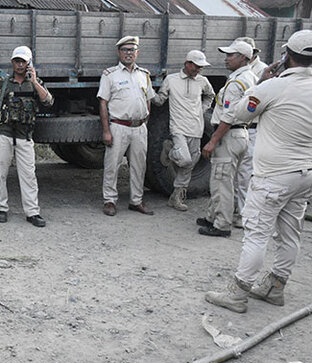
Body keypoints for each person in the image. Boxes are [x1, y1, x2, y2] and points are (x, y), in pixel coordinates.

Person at [205, 30, 312, 313]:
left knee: (256, 233)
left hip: (274, 174)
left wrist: (263, 82)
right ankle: (276, 286)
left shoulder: (272, 87)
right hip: (304, 173)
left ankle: (238, 292)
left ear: (286, 56)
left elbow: (238, 113)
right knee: (290, 233)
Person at [0, 45, 53, 227]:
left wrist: (35, 82)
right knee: (0, 172)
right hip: (3, 133)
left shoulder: (36, 83)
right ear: (12, 63)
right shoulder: (3, 83)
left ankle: (32, 212)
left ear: (29, 63)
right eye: (17, 61)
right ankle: (1, 208)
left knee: (28, 174)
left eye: (23, 61)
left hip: (25, 135)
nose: (19, 65)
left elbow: (48, 101)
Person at [196, 40, 257, 237]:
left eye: (231, 55)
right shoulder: (250, 77)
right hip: (241, 134)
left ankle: (221, 224)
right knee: (223, 178)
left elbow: (229, 116)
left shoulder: (236, 82)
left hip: (230, 135)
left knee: (222, 181)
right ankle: (212, 216)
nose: (226, 58)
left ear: (244, 58)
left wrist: (213, 139)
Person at [97, 36, 156, 217]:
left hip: (139, 127)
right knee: (112, 165)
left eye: (132, 50)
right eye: (125, 50)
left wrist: (144, 120)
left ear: (137, 53)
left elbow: (148, 100)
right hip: (118, 126)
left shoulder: (144, 75)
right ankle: (110, 200)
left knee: (139, 166)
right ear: (118, 52)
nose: (128, 53)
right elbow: (103, 104)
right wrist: (106, 130)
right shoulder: (110, 75)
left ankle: (136, 201)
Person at [152, 50, 215, 211]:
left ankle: (176, 197)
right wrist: (147, 91)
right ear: (188, 64)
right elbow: (159, 101)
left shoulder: (203, 81)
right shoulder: (171, 80)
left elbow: (210, 96)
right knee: (185, 160)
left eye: (201, 67)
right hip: (178, 127)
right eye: (197, 66)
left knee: (189, 165)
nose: (199, 69)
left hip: (196, 128)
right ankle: (169, 151)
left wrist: (202, 109)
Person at [233, 37, 268, 228]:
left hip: (251, 127)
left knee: (246, 174)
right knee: (238, 173)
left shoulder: (261, 71)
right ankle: (237, 209)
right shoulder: (241, 73)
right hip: (243, 127)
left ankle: (244, 214)